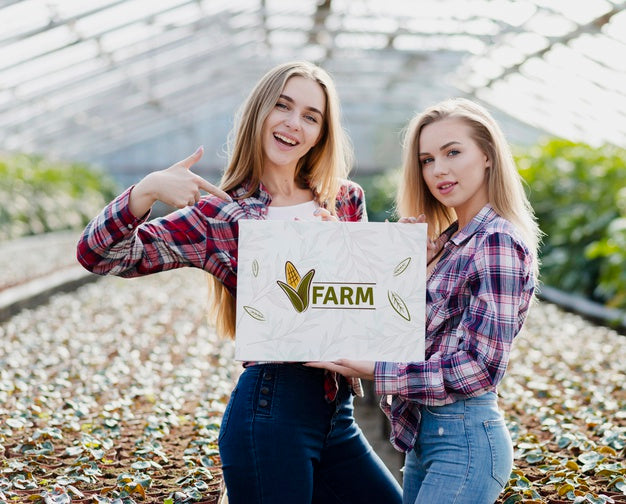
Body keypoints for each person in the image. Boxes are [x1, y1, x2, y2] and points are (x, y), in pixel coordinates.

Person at [76, 61, 402, 504]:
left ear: (322, 133)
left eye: (311, 116)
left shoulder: (344, 199)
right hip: (271, 410)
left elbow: (365, 308)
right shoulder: (222, 213)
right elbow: (99, 254)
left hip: (336, 415)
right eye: (282, 106)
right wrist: (145, 192)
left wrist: (354, 252)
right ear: (259, 113)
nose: (293, 123)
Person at [308, 97, 541, 504]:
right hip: (426, 439)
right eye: (427, 159)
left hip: (464, 443)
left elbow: (479, 369)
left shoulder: (497, 240)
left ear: (487, 155)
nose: (439, 170)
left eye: (453, 152)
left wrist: (377, 371)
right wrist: (399, 267)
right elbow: (406, 331)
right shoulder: (451, 242)